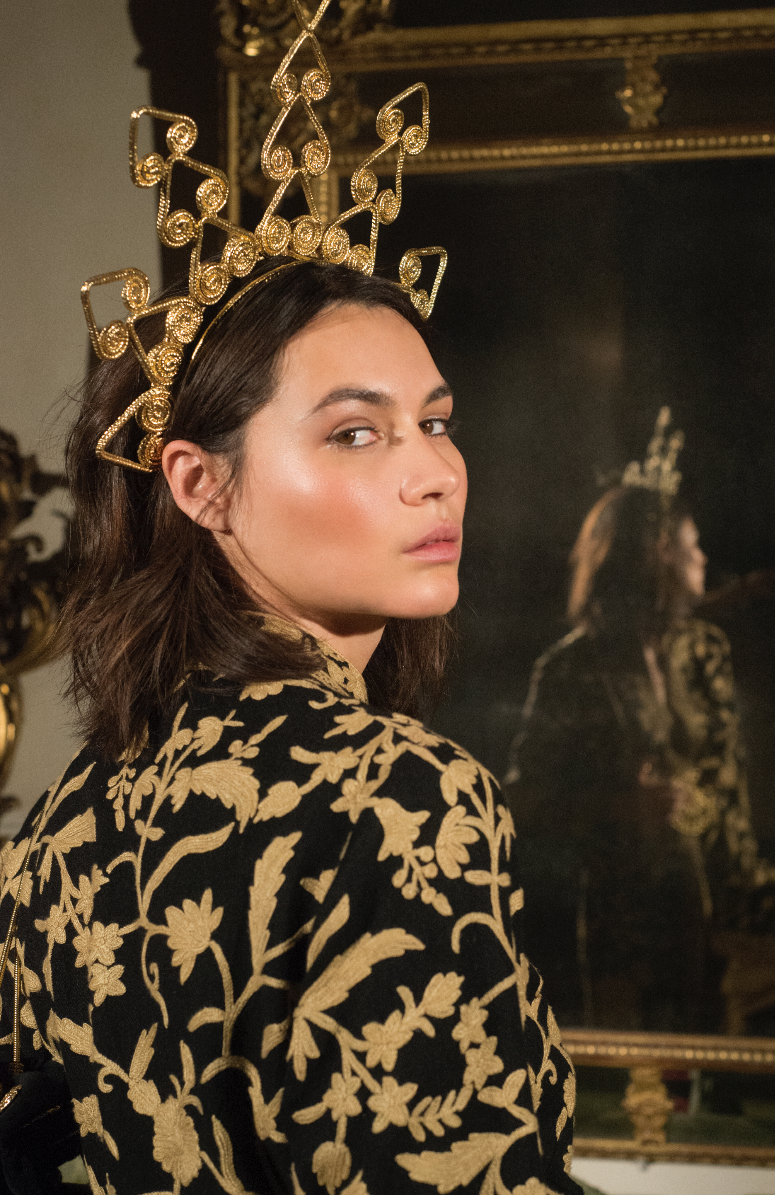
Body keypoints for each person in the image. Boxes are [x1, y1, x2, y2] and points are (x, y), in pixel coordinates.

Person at [0, 204, 580, 1195]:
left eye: (435, 423)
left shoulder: (64, 820)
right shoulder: (397, 798)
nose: (436, 473)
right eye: (356, 433)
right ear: (201, 483)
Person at [504, 414, 775, 1034]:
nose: (704, 556)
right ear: (659, 553)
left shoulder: (704, 650)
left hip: (726, 895)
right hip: (628, 913)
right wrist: (618, 806)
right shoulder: (572, 669)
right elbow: (524, 803)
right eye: (692, 542)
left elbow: (724, 783)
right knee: (642, 1084)